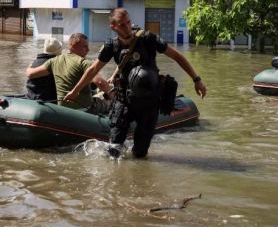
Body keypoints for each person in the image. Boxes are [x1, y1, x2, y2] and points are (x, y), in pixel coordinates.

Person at [63, 8, 207, 159]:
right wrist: (75, 91)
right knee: (114, 151)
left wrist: (197, 80)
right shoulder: (111, 46)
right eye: (122, 25)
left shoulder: (148, 38)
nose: (127, 27)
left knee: (140, 154)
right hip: (123, 101)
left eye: (128, 23)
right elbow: (93, 70)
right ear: (113, 27)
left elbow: (177, 56)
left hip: (149, 102)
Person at [26, 33, 110, 112]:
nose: (88, 50)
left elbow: (30, 74)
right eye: (85, 46)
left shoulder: (53, 61)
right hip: (84, 109)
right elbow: (101, 83)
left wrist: (30, 65)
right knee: (108, 102)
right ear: (73, 45)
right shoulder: (85, 63)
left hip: (62, 109)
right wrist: (111, 95)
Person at [25, 37, 62, 102]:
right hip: (45, 99)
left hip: (31, 96)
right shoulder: (55, 63)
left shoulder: (35, 61)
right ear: (59, 51)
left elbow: (29, 73)